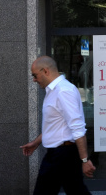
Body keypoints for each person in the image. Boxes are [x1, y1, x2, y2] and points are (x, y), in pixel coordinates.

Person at [20, 56, 96, 195]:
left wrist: (85, 160)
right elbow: (55, 126)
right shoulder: (53, 91)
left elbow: (77, 127)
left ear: (45, 71)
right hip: (60, 154)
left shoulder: (63, 91)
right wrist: (35, 143)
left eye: (35, 75)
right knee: (77, 191)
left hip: (62, 155)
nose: (34, 79)